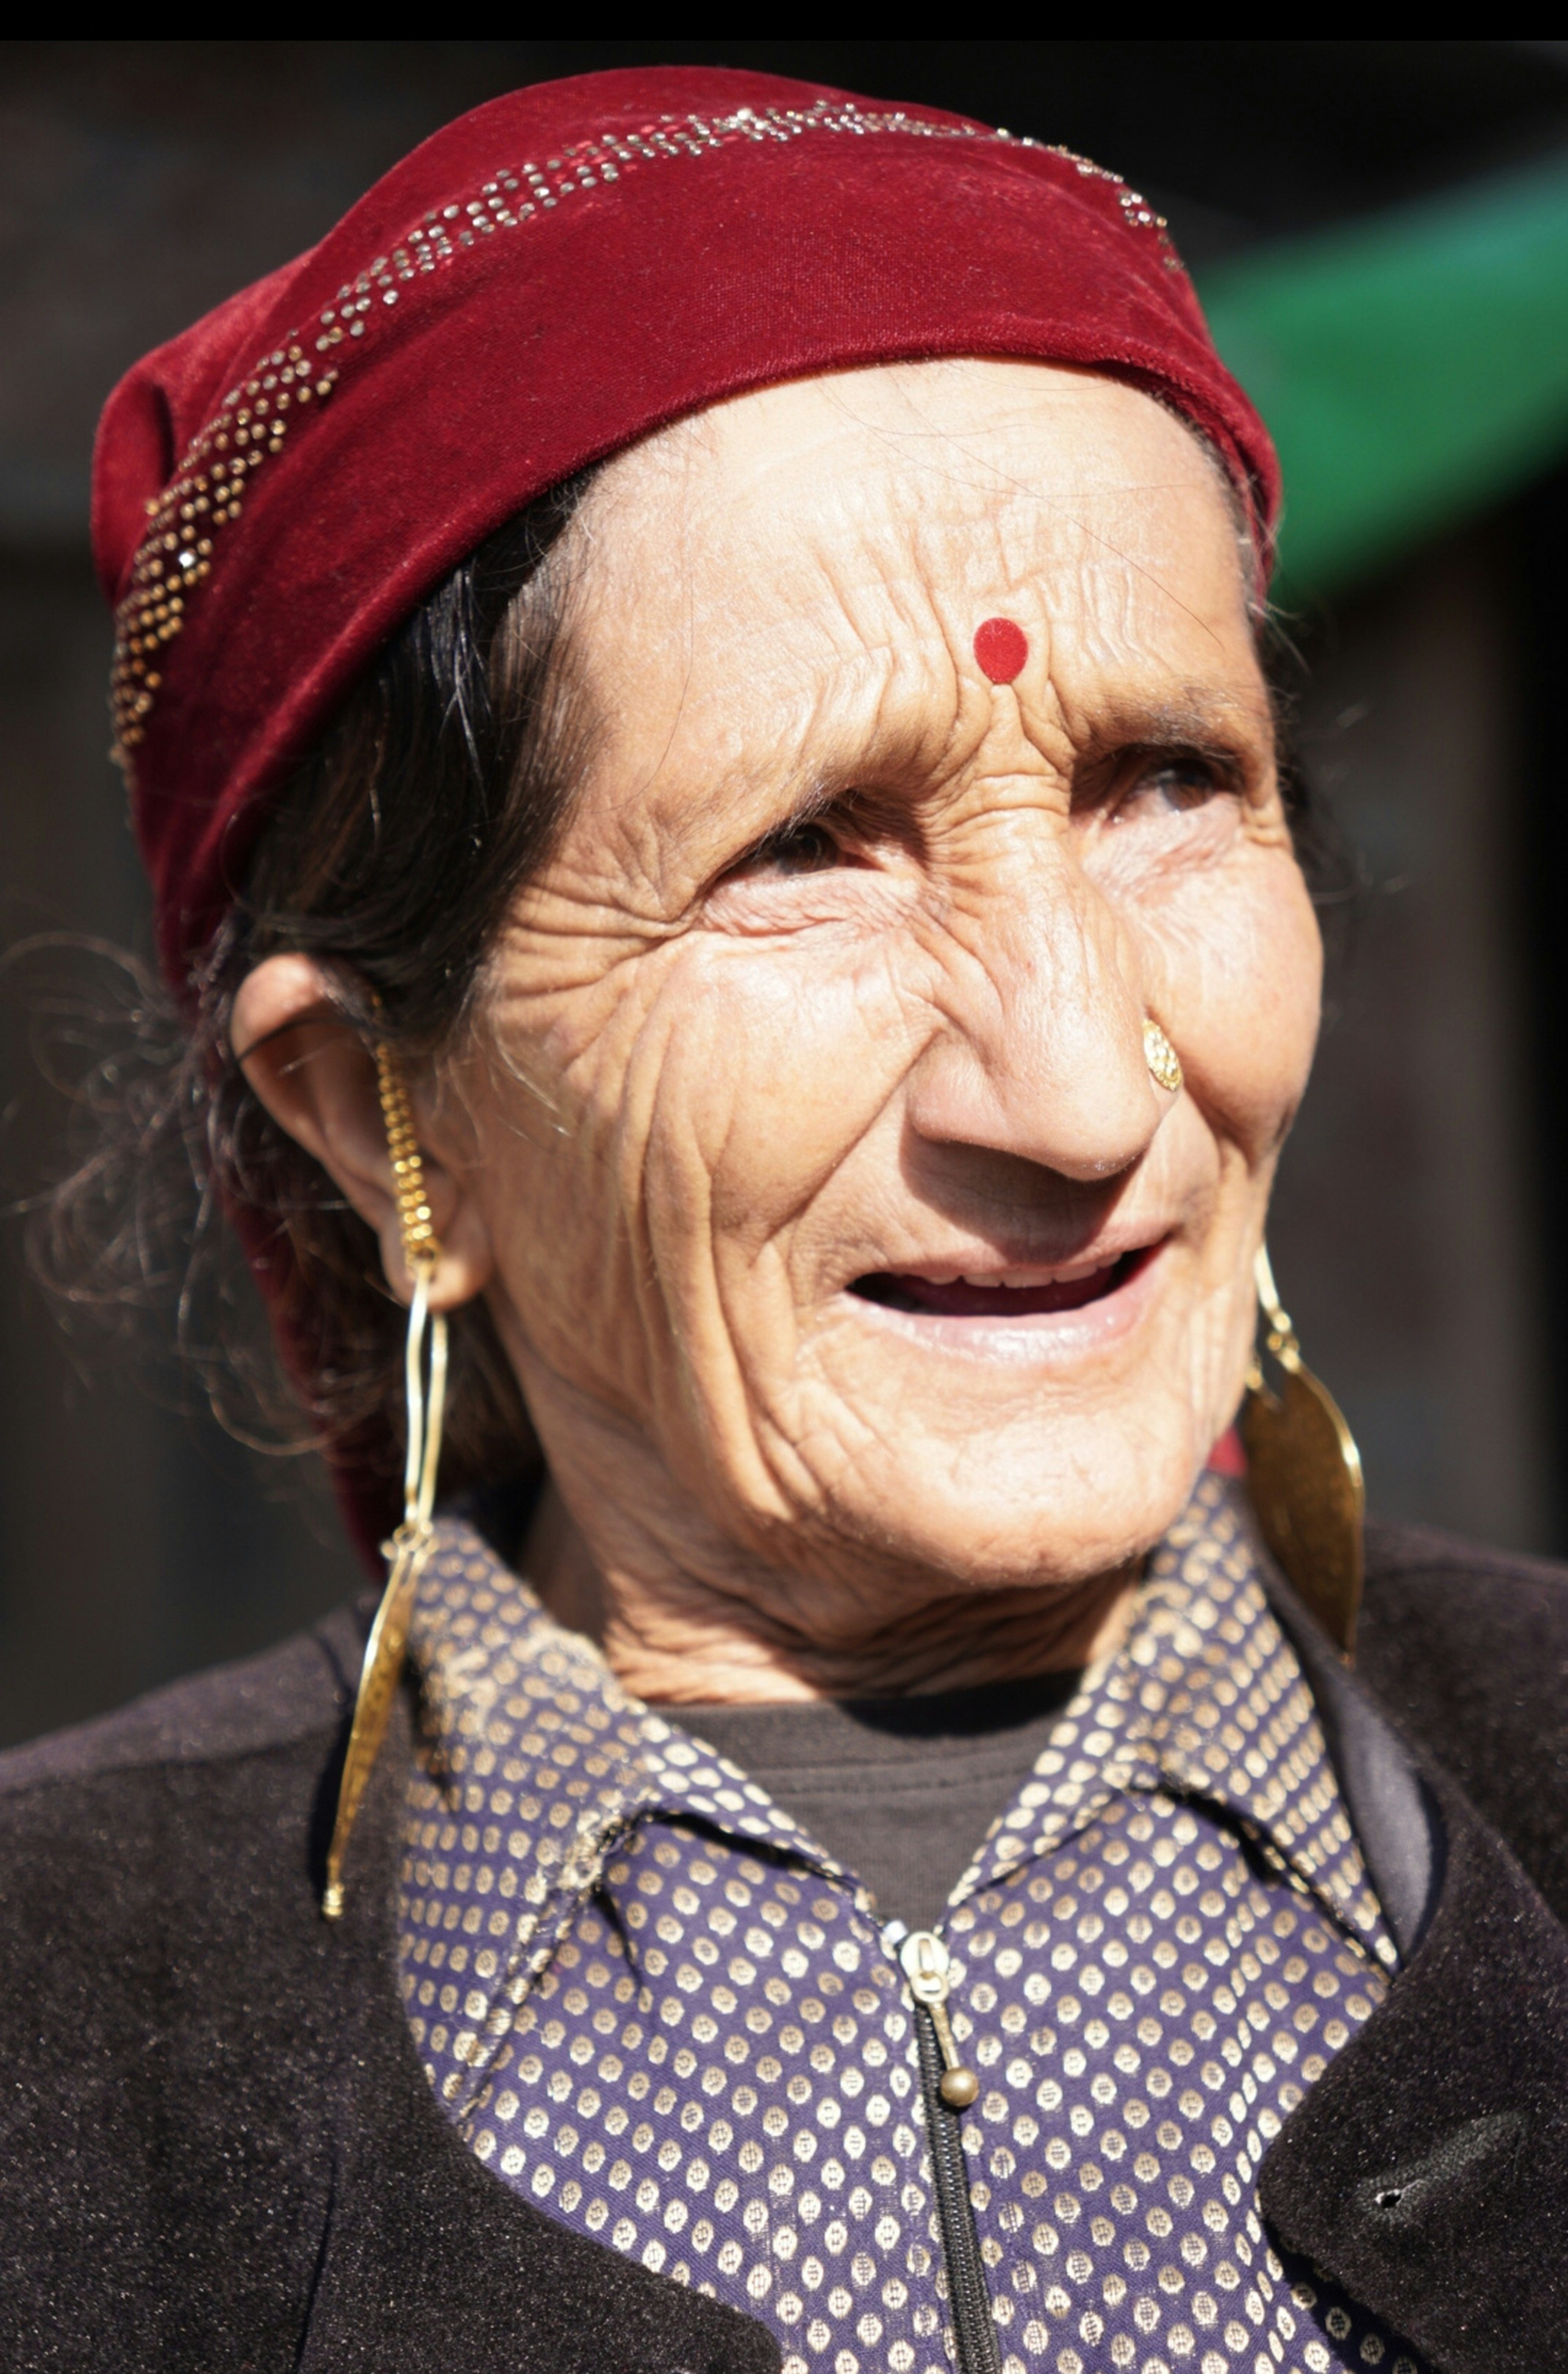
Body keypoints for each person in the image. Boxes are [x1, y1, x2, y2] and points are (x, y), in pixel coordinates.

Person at [2, 63, 1564, 2374]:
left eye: (1164, 785)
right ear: (373, 1113)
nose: (1075, 1092)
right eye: (810, 846)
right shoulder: (65, 2038)